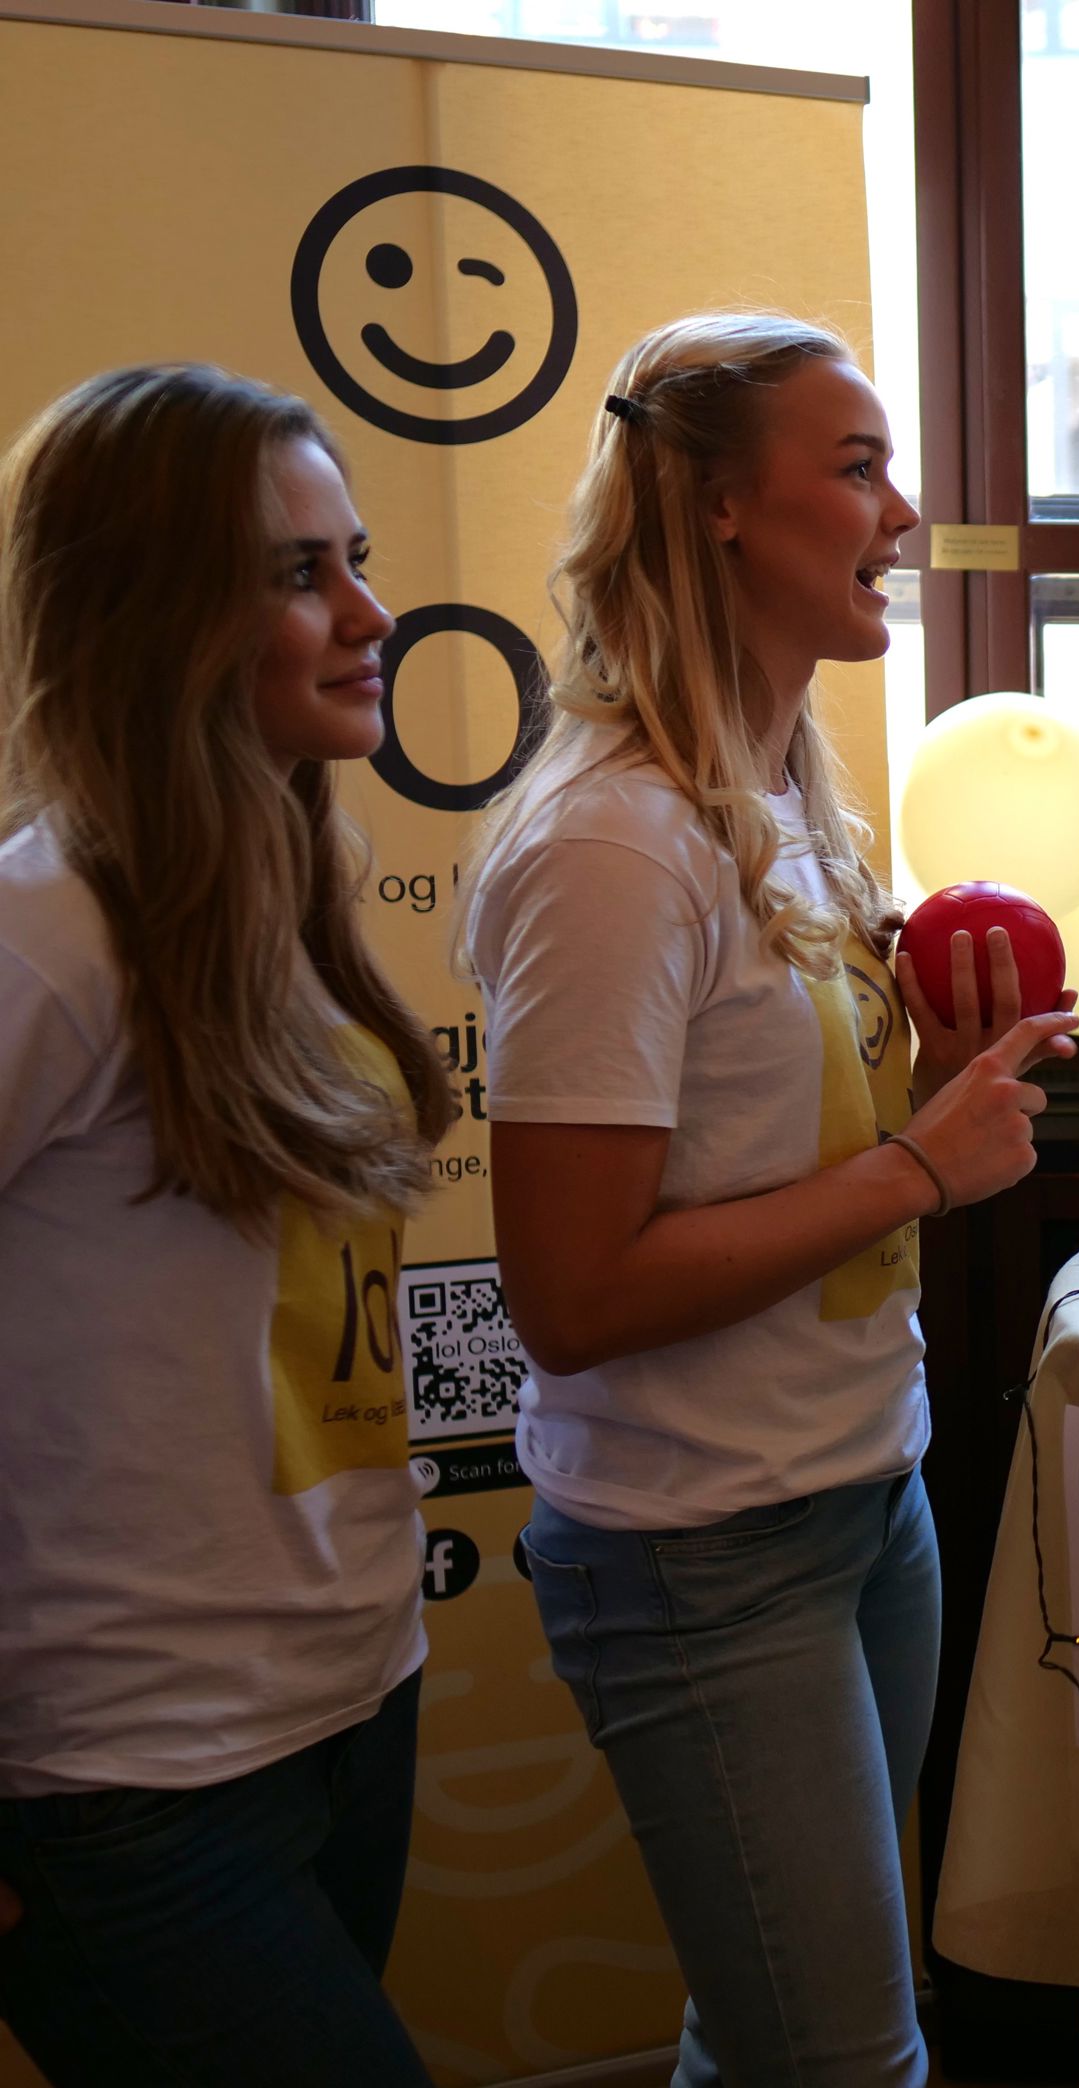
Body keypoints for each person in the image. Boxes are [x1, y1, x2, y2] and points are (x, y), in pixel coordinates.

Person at [463, 314, 1078, 2088]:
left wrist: (931, 1080)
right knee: (842, 2058)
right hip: (698, 1550)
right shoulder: (612, 845)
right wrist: (915, 1162)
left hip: (851, 1496)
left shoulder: (790, 802)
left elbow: (768, 1166)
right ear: (722, 505)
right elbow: (571, 1292)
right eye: (859, 465)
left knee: (775, 2036)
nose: (902, 508)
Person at [0, 365, 453, 2086]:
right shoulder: (50, 928)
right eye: (294, 574)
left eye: (354, 555)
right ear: (151, 615)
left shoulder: (279, 883)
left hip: (345, 1708)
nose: (366, 612)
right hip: (127, 1779)